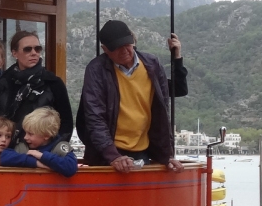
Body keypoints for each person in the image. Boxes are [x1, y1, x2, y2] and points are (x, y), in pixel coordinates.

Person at [76, 19, 184, 173]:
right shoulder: (96, 70)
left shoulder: (152, 64)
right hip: (107, 154)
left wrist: (167, 156)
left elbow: (162, 114)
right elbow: (95, 117)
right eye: (117, 48)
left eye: (127, 44)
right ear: (105, 49)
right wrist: (113, 156)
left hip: (143, 151)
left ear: (133, 41)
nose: (124, 50)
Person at [0, 30, 73, 148]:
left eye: (37, 49)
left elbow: (66, 124)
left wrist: (49, 153)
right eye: (27, 49)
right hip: (7, 154)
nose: (34, 53)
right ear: (14, 53)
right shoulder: (4, 82)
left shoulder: (53, 83)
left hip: (43, 155)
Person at [0, 107, 78, 177]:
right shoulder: (23, 146)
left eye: (30, 134)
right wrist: (35, 162)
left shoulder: (59, 147)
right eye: (25, 132)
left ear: (46, 136)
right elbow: (4, 156)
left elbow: (70, 167)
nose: (25, 137)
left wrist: (42, 156)